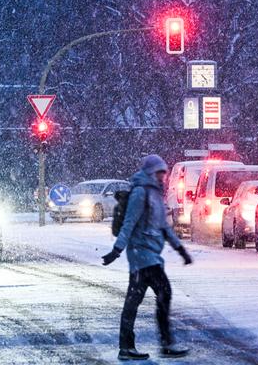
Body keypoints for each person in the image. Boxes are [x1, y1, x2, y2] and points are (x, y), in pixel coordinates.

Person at [102, 154, 193, 361]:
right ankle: (164, 344)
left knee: (136, 300)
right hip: (140, 255)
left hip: (151, 255)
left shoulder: (156, 194)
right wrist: (116, 250)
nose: (162, 176)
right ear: (150, 172)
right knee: (162, 293)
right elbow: (129, 223)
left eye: (164, 172)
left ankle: (129, 347)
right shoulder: (140, 193)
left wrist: (181, 250)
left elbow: (163, 227)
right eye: (159, 172)